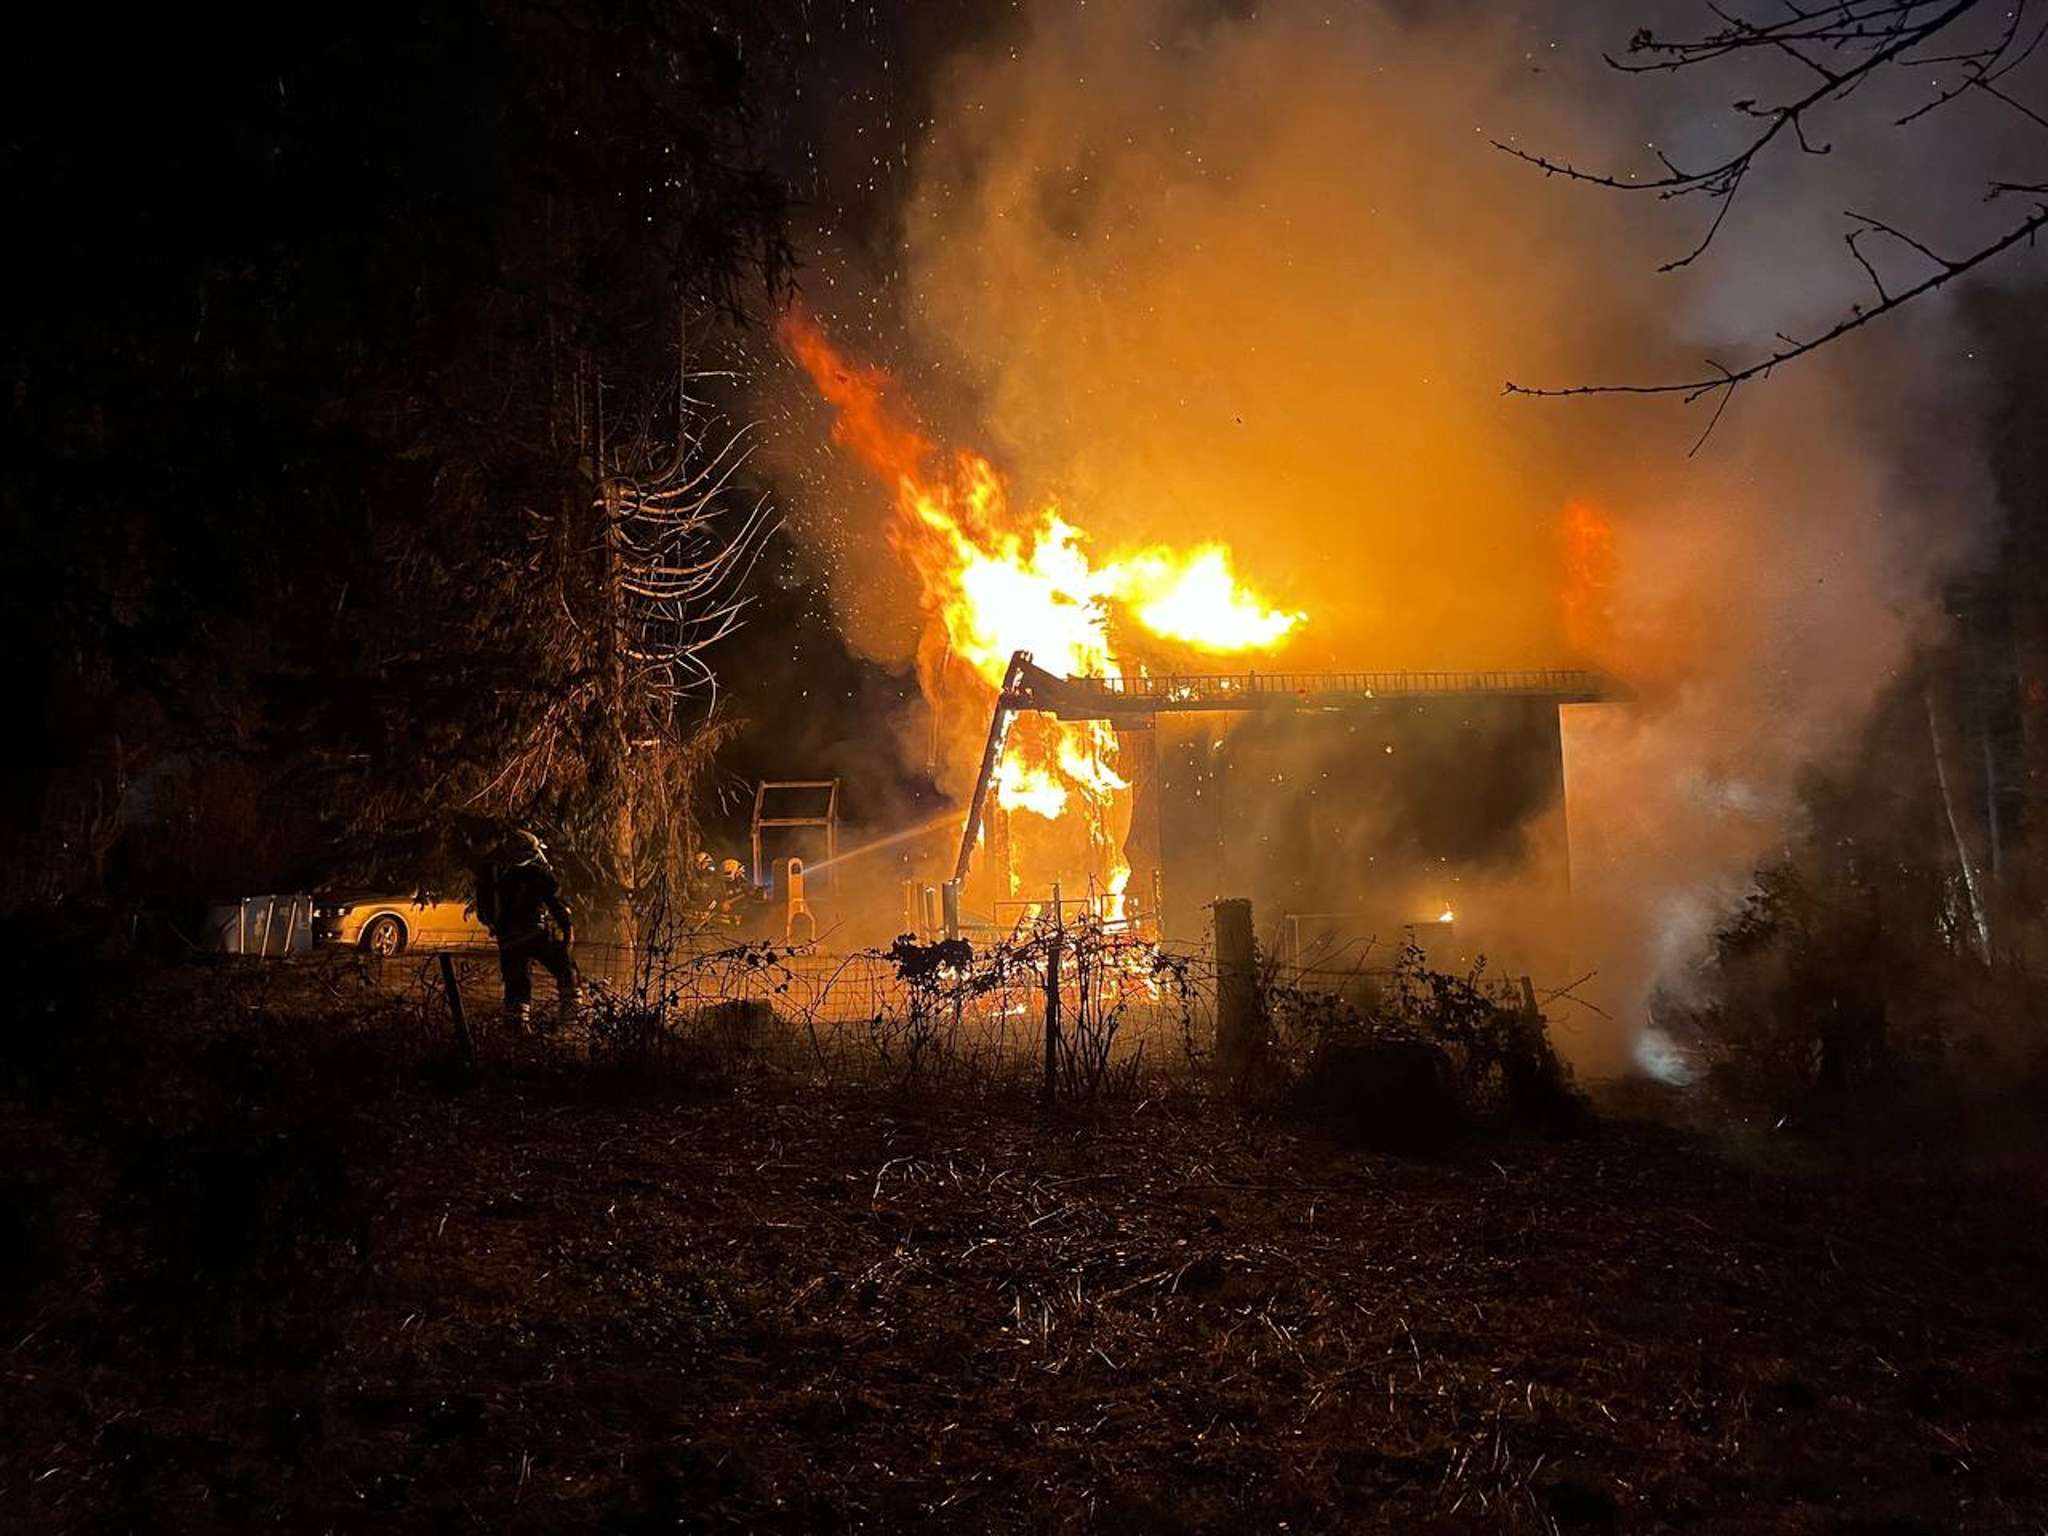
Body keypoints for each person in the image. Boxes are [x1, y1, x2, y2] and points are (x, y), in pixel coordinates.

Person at [468, 826, 579, 1031]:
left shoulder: (492, 873)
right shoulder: (534, 873)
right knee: (564, 965)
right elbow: (554, 900)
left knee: (516, 983)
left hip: (507, 939)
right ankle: (571, 1016)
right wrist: (566, 926)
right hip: (535, 933)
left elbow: (486, 911)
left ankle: (516, 1029)